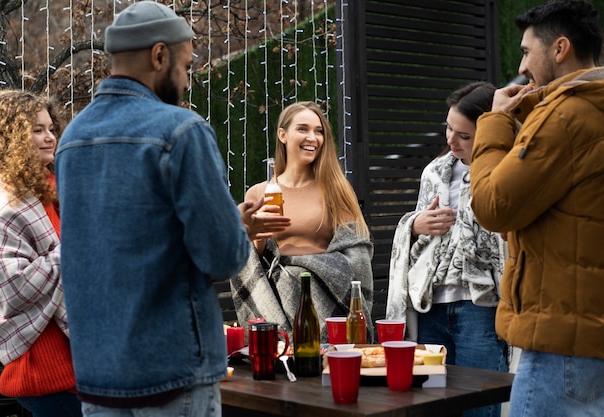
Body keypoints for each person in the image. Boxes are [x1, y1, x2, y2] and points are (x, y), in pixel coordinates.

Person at [54, 2, 286, 416]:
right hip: (172, 372)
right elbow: (223, 255)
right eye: (186, 65)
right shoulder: (182, 131)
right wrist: (238, 228)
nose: (187, 80)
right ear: (159, 56)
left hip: (98, 376)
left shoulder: (72, 139)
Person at [469, 1, 604, 416]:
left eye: (527, 52)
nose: (523, 66)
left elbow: (493, 205)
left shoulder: (567, 114)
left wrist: (493, 121)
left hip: (561, 339)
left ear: (560, 48)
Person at [386, 82, 508, 417]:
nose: (451, 141)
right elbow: (416, 240)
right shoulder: (434, 172)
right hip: (430, 308)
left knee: (478, 408)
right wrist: (414, 225)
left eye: (464, 136)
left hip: (480, 308)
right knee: (431, 407)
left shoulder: (508, 170)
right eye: (448, 129)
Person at [230, 101, 374, 343]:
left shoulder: (336, 190)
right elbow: (251, 262)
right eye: (303, 129)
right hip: (274, 303)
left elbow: (357, 254)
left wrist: (311, 267)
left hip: (328, 304)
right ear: (282, 135)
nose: (313, 137)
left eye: (319, 131)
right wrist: (257, 237)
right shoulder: (258, 193)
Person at [0, 90, 81, 417]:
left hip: (73, 358)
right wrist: (78, 248)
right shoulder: (6, 204)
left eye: (50, 128)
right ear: (10, 136)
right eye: (37, 130)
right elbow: (13, 290)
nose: (50, 137)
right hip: (44, 366)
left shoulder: (44, 189)